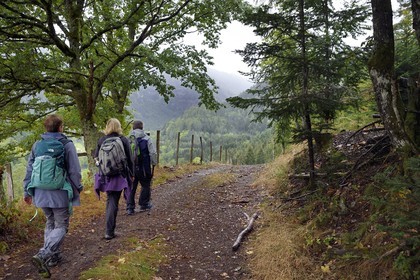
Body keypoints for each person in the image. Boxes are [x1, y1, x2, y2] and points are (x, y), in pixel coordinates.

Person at [23, 114, 83, 278]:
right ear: (60, 127)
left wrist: (26, 191)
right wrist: (78, 187)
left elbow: (30, 169)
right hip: (59, 193)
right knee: (62, 226)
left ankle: (53, 258)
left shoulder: (37, 145)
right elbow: (75, 171)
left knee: (50, 221)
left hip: (40, 192)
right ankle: (43, 254)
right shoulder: (66, 144)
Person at [94, 118, 133, 240]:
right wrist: (131, 174)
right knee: (113, 201)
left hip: (106, 175)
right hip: (119, 175)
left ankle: (109, 230)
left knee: (111, 200)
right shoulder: (123, 140)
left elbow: (96, 157)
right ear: (119, 127)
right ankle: (109, 232)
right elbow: (129, 158)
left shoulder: (102, 140)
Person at [126, 120, 157, 214]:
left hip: (131, 167)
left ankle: (130, 208)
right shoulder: (147, 139)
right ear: (142, 127)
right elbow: (153, 153)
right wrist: (154, 163)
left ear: (133, 128)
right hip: (144, 167)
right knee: (146, 184)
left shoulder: (128, 139)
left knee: (131, 186)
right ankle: (144, 204)